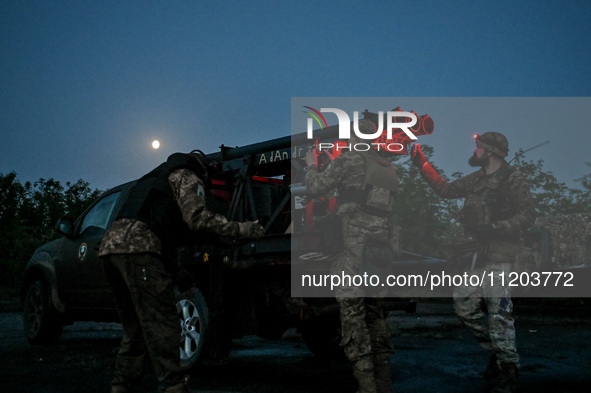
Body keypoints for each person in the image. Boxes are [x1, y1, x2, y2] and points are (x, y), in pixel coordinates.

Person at [98, 151, 264, 393]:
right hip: (140, 249)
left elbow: (163, 230)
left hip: (110, 251)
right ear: (203, 169)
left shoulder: (151, 181)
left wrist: (178, 273)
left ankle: (121, 385)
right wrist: (241, 229)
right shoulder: (187, 177)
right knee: (162, 323)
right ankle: (174, 386)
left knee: (135, 328)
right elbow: (196, 218)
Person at [410, 132, 536, 393]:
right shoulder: (478, 179)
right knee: (464, 306)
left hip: (500, 252)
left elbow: (527, 215)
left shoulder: (513, 179)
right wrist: (422, 163)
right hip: (476, 254)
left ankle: (509, 373)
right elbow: (446, 190)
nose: (475, 151)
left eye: (478, 147)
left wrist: (496, 226)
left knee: (499, 314)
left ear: (490, 151)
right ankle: (497, 352)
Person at [304, 119, 399, 393]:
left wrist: (311, 164)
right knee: (376, 315)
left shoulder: (349, 160)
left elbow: (316, 188)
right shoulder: (388, 167)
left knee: (353, 317)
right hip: (380, 250)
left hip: (354, 251)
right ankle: (385, 382)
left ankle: (367, 385)